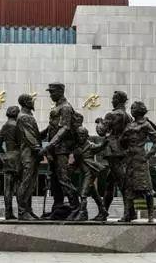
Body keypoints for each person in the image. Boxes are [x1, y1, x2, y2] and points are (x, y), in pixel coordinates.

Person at [38, 82, 80, 219]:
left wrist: (49, 145)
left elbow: (65, 128)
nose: (50, 95)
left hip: (62, 149)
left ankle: (76, 208)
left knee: (63, 178)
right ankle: (58, 208)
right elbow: (51, 127)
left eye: (53, 92)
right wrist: (38, 135)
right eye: (50, 92)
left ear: (61, 91)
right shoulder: (57, 107)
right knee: (55, 179)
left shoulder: (66, 107)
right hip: (54, 149)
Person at [119, 101, 156, 223]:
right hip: (130, 159)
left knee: (146, 188)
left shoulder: (146, 124)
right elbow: (122, 141)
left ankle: (150, 216)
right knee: (128, 188)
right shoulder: (129, 125)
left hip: (140, 159)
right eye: (131, 108)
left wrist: (148, 155)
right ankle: (127, 214)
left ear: (139, 110)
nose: (131, 110)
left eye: (133, 108)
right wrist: (124, 138)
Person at [95, 90, 132, 221]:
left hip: (113, 151)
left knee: (122, 183)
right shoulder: (128, 116)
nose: (112, 101)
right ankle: (103, 212)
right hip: (124, 151)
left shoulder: (112, 114)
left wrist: (99, 122)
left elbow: (101, 131)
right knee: (110, 183)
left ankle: (129, 213)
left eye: (113, 98)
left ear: (118, 100)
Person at [68, 125, 108, 221]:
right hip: (83, 173)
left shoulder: (90, 145)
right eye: (79, 135)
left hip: (90, 172)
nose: (80, 137)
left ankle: (83, 213)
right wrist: (71, 167)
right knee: (94, 193)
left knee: (83, 194)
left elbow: (101, 146)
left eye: (82, 135)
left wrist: (106, 139)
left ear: (86, 136)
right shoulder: (76, 147)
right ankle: (103, 211)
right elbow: (77, 161)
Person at [15, 93, 42, 220]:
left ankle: (28, 210)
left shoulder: (28, 116)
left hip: (32, 154)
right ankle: (22, 212)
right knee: (26, 183)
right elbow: (29, 136)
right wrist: (39, 149)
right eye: (31, 100)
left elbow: (35, 135)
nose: (33, 102)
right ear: (26, 102)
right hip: (28, 154)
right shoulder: (24, 117)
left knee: (31, 184)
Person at [0, 105, 21, 220]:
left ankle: (8, 213)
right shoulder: (19, 126)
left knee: (8, 189)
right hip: (18, 158)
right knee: (20, 187)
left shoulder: (5, 126)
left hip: (8, 158)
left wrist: (3, 154)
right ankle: (21, 212)